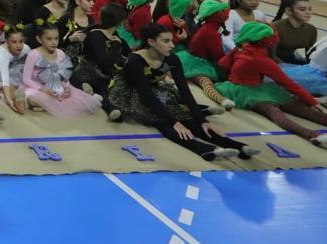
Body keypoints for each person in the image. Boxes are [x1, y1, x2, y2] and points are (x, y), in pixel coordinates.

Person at [108, 25, 258, 161]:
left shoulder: (172, 59)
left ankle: (237, 146)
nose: (172, 45)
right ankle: (205, 149)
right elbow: (146, 96)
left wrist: (202, 121)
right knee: (164, 119)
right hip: (130, 91)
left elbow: (185, 91)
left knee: (186, 116)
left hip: (152, 87)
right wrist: (175, 122)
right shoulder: (136, 60)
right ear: (151, 42)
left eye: (171, 40)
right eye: (166, 41)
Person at [215, 22, 327, 146]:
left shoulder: (241, 48)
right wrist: (312, 101)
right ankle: (312, 134)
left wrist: (232, 77)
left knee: (283, 110)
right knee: (279, 112)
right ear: (266, 42)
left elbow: (223, 64)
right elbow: (288, 83)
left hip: (249, 87)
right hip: (247, 92)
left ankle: (316, 135)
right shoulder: (261, 59)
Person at [21, 23, 103, 118]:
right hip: (36, 86)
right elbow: (26, 79)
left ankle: (46, 105)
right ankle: (45, 104)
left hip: (56, 86)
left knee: (75, 99)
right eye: (49, 39)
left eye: (56, 38)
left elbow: (64, 77)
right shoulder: (33, 54)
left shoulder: (61, 54)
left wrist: (67, 87)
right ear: (39, 39)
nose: (54, 42)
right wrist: (44, 90)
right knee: (32, 98)